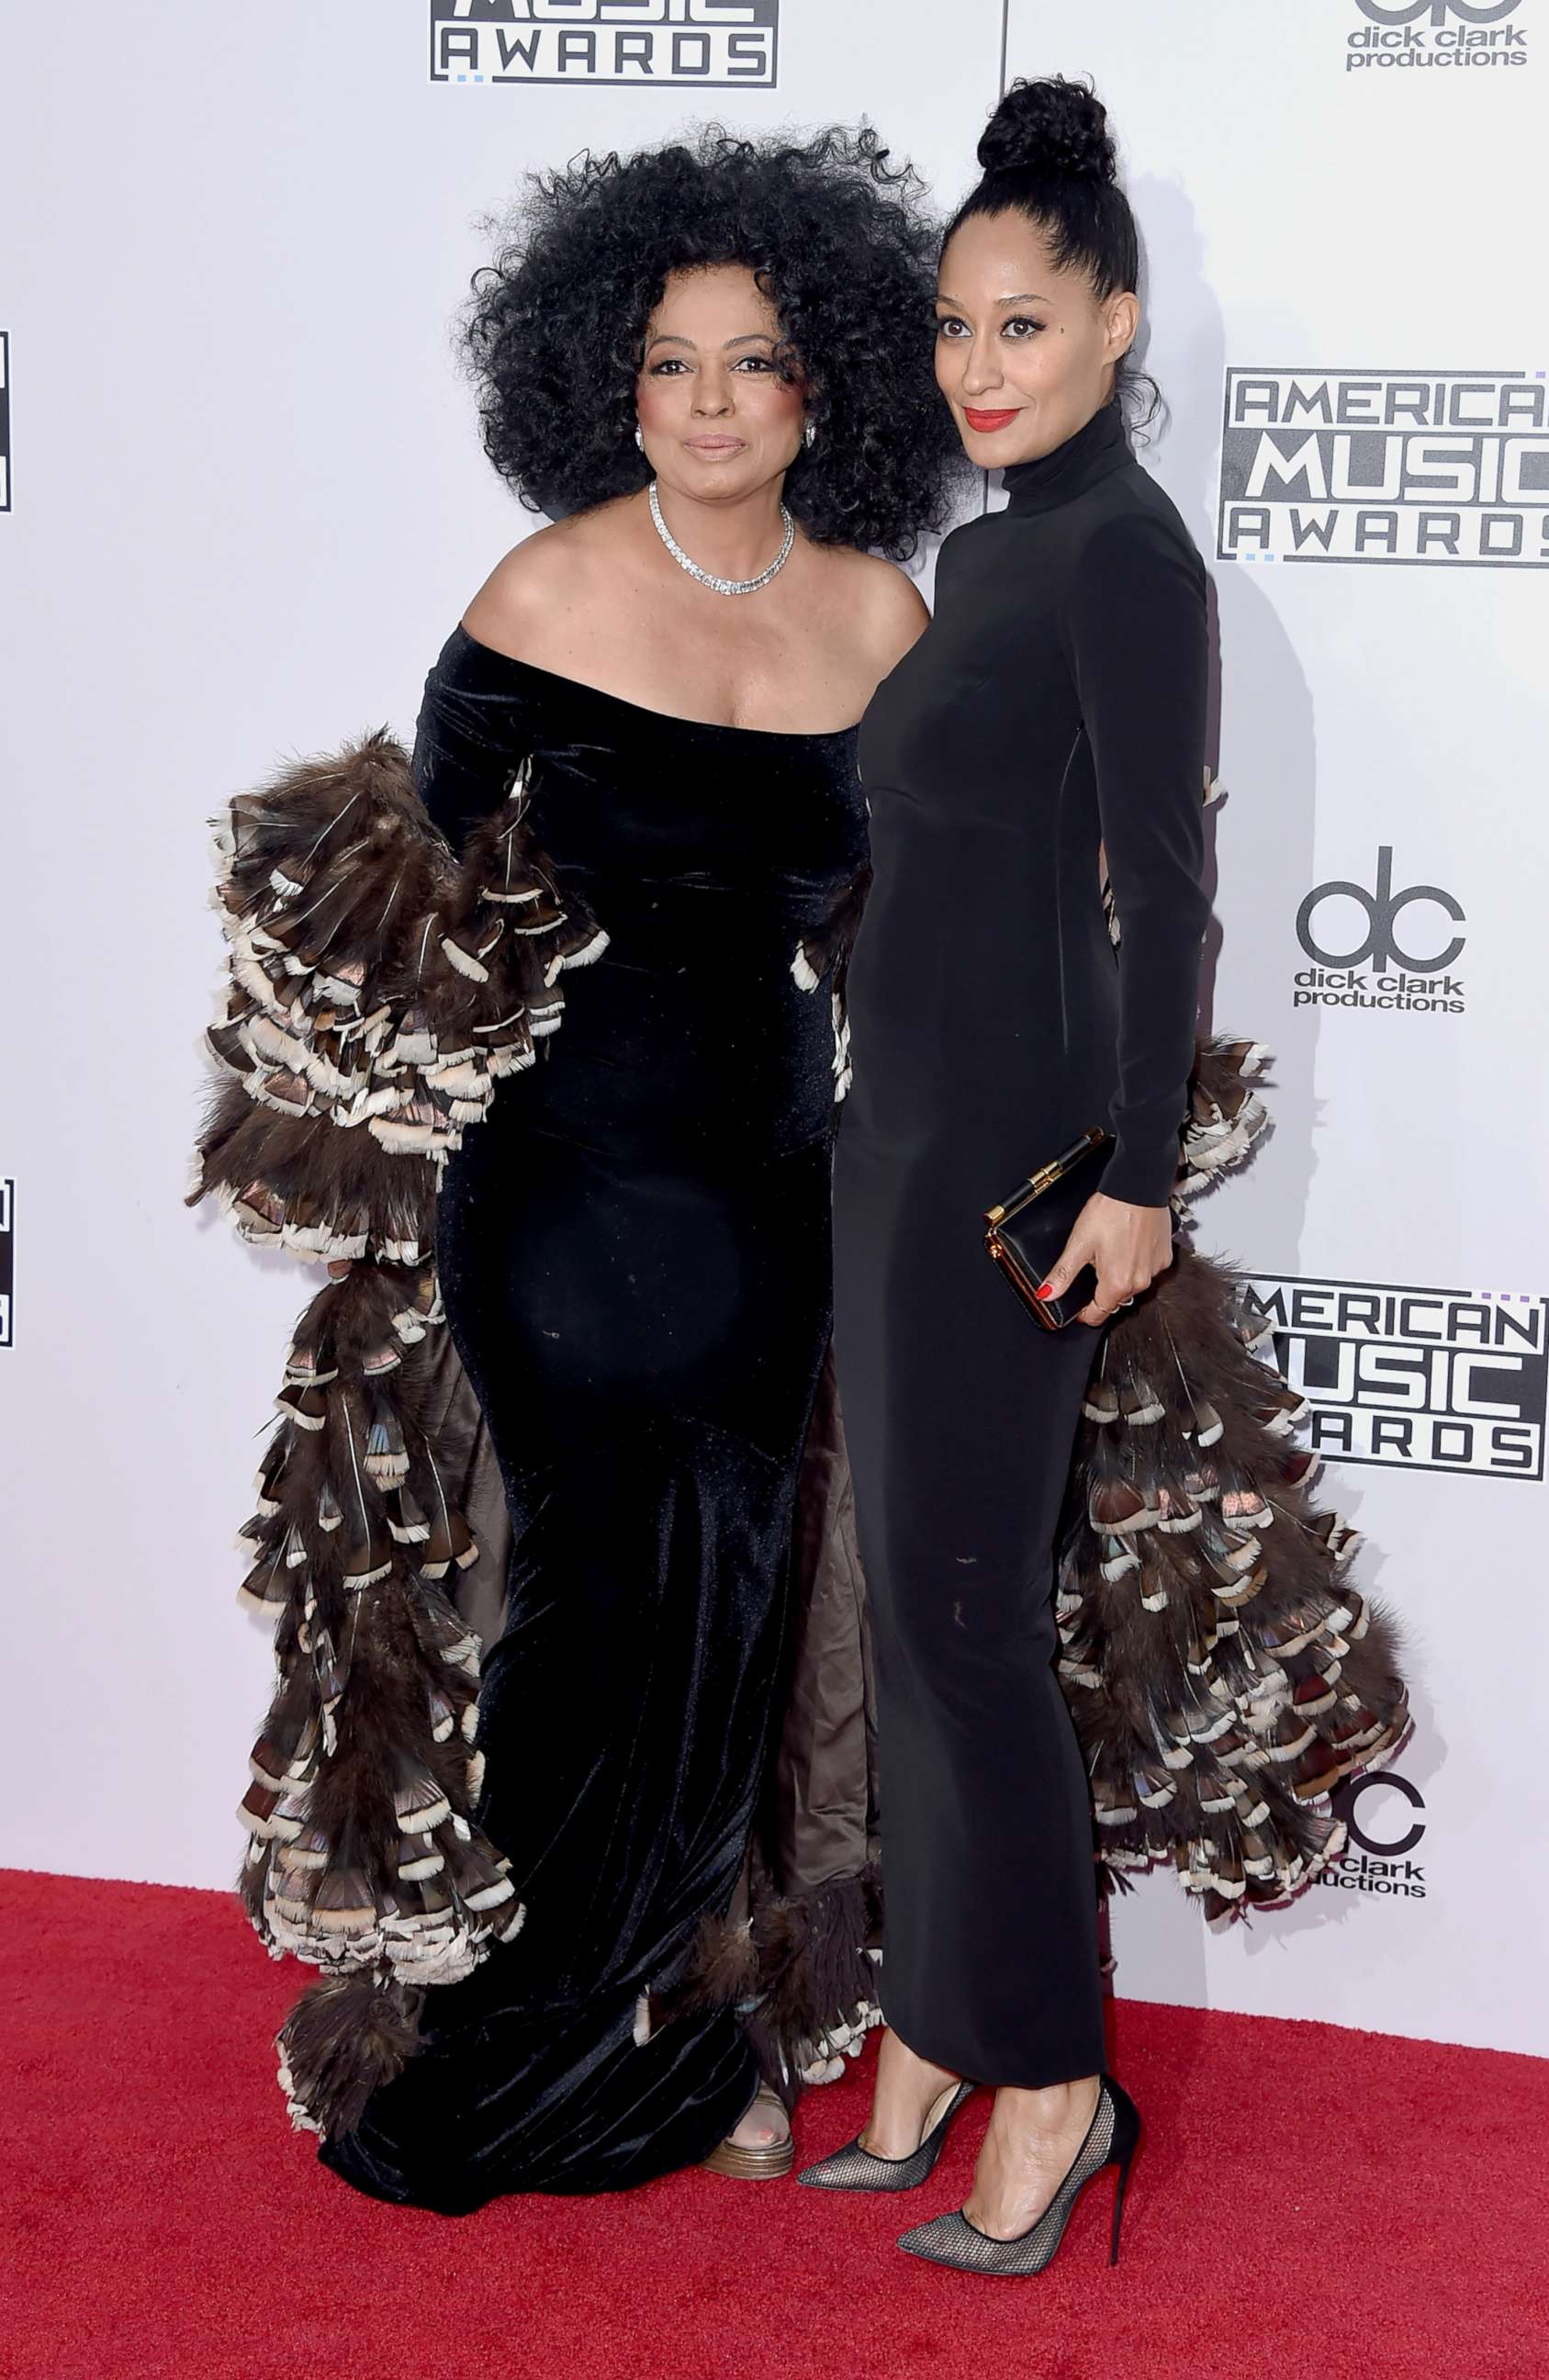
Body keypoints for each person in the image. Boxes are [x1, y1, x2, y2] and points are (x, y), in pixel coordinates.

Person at [192, 127, 959, 2211]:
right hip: (563, 1205)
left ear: (829, 388)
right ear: (606, 386)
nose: (710, 404)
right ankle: (518, 2049)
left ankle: (694, 2036)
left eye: (754, 362)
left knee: (736, 1623)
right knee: (580, 1622)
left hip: (773, 1193)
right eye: (669, 364)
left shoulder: (885, 618)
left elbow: (920, 926)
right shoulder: (544, 588)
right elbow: (405, 910)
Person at [804, 74, 1410, 2275]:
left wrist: (1140, 1175)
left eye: (1027, 327)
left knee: (967, 1630)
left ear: (1121, 326)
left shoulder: (1134, 563)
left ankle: (1055, 2076)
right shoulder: (981, 554)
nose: (982, 365)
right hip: (897, 1141)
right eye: (959, 326)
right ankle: (945, 2032)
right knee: (919, 1609)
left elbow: (1168, 886)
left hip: (1020, 1170)